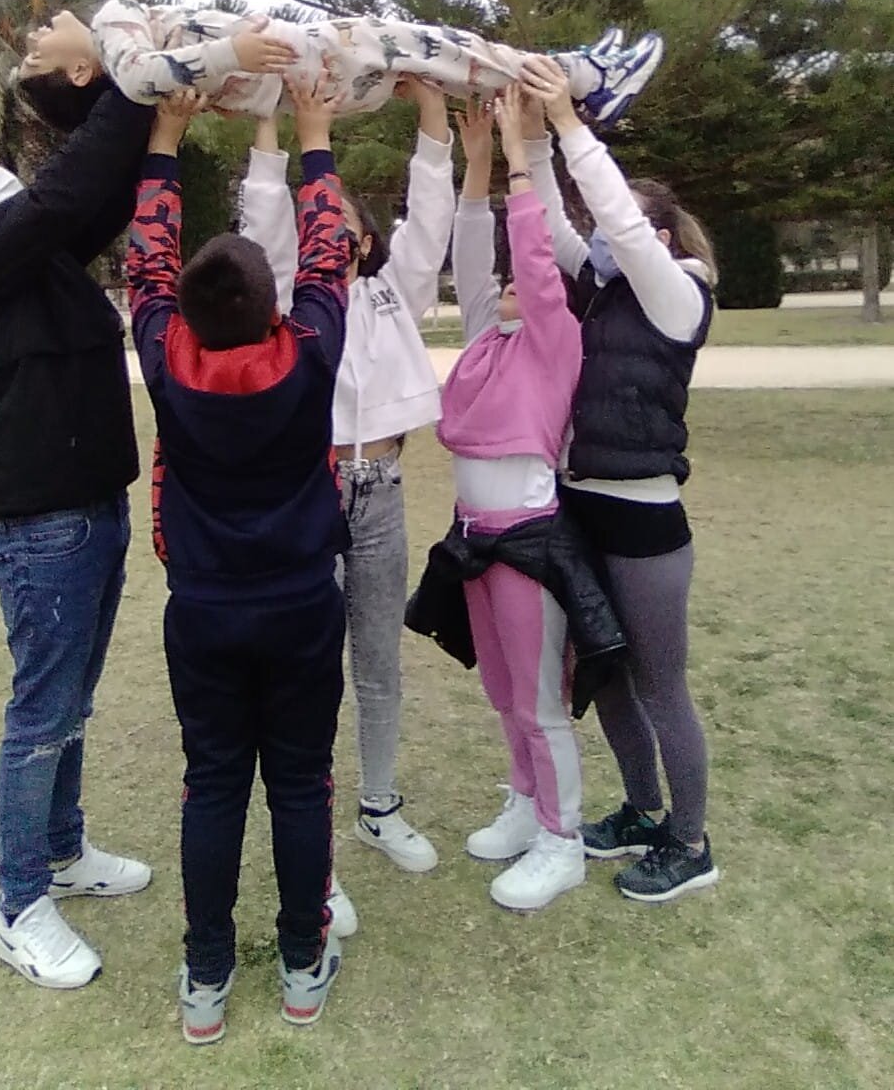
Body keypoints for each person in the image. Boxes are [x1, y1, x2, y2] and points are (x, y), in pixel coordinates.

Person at [127, 78, 351, 1044]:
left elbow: (144, 268)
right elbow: (333, 256)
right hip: (304, 603)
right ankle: (303, 965)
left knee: (212, 784)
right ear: (274, 308)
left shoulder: (166, 355)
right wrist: (315, 138)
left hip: (206, 611)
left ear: (185, 310)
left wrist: (164, 139)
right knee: (301, 784)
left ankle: (207, 978)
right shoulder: (307, 351)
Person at [240, 78, 453, 932]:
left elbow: (431, 221)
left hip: (386, 489)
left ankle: (379, 802)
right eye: (326, 226)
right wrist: (267, 122)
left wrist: (434, 119)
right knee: (308, 671)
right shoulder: (296, 299)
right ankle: (315, 849)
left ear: (365, 237)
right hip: (313, 492)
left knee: (378, 658)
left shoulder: (396, 290)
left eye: (353, 227)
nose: (346, 238)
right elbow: (262, 223)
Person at [519, 54, 719, 904]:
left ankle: (690, 840)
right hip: (581, 509)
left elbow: (623, 230)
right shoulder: (599, 290)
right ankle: (640, 811)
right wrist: (524, 137)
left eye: (626, 224)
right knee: (601, 677)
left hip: (645, 521)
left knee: (659, 685)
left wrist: (572, 125)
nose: (603, 231)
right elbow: (552, 217)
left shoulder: (678, 301)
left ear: (664, 241)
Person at [0, 93, 154, 993]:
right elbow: (64, 198)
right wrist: (134, 82)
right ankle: (15, 904)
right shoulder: (8, 248)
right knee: (43, 715)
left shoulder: (35, 254)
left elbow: (96, 195)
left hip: (90, 505)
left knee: (72, 703)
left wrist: (134, 101)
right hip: (39, 522)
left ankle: (60, 850)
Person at [434, 87, 587, 911]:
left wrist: (524, 157)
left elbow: (533, 262)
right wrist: (481, 159)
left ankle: (564, 841)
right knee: (504, 692)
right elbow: (469, 255)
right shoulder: (484, 343)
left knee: (539, 702)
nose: (508, 286)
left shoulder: (553, 344)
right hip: (472, 541)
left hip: (528, 539)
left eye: (527, 282)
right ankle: (527, 805)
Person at [15, 0, 663, 130]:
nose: (37, 32)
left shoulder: (141, 83)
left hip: (306, 79)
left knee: (444, 58)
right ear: (77, 74)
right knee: (443, 48)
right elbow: (135, 75)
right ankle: (584, 79)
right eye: (32, 54)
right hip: (306, 56)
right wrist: (231, 52)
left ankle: (572, 77)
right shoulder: (110, 27)